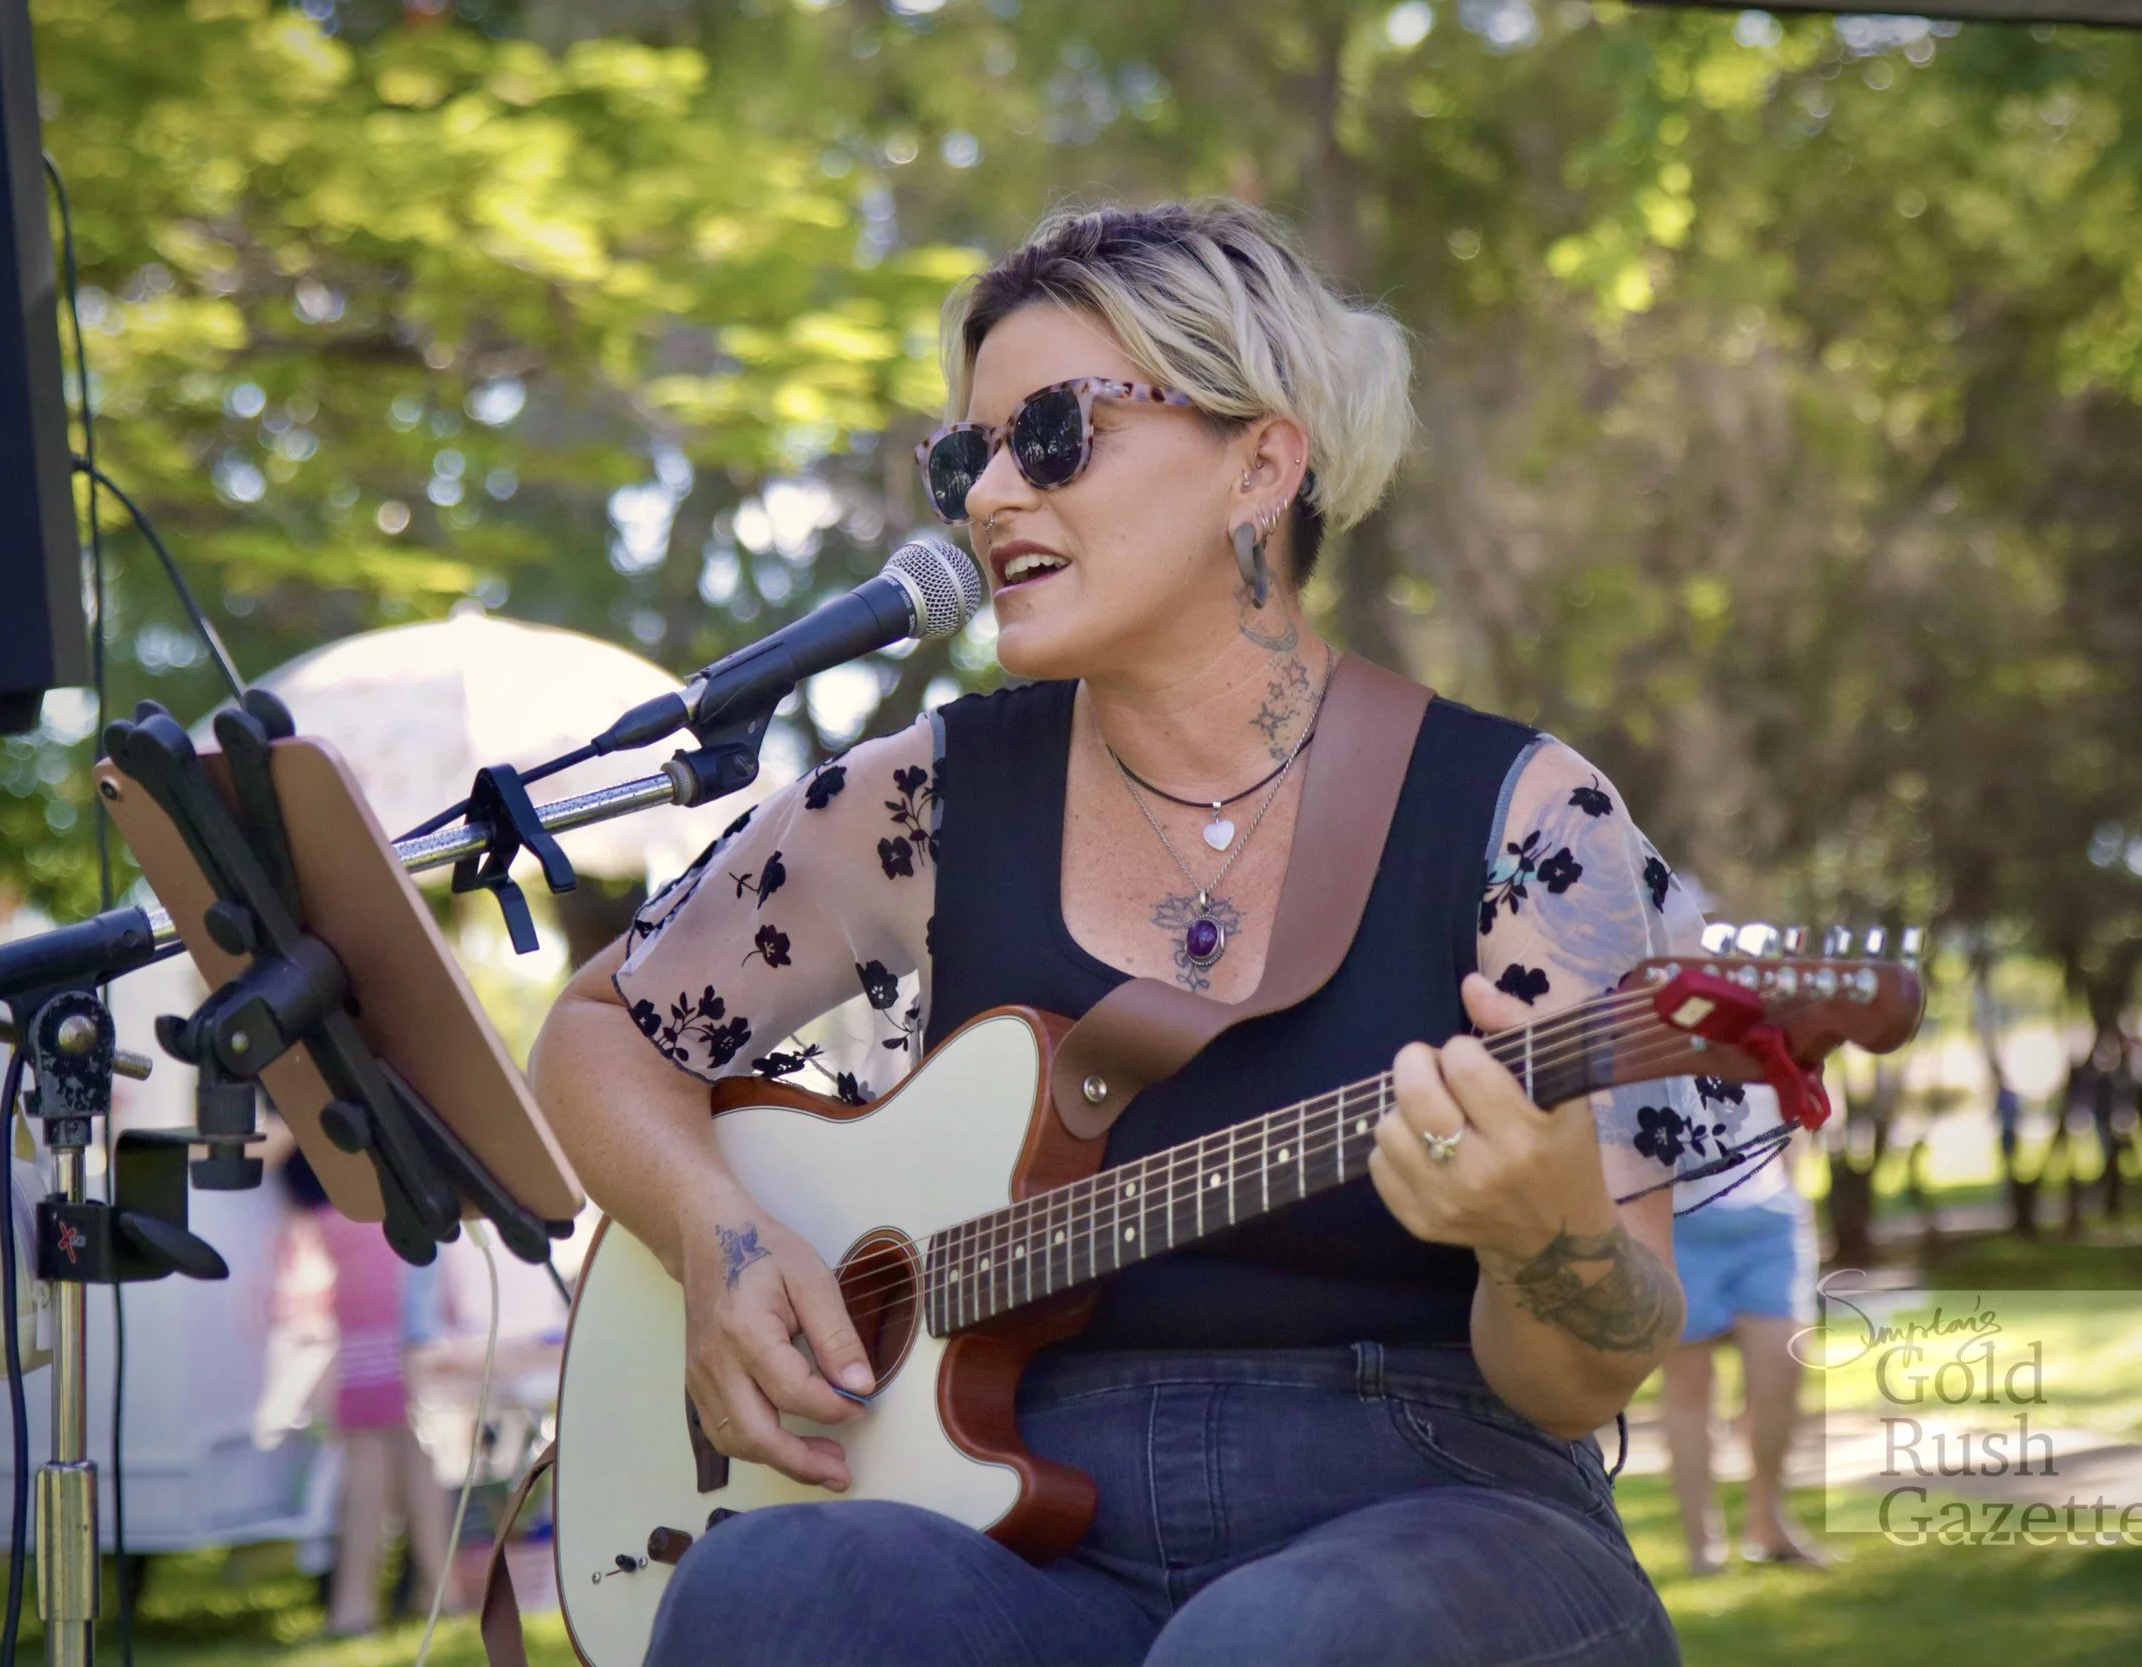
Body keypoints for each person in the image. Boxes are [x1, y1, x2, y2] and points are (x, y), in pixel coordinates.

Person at [534, 201, 1773, 1667]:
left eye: (1054, 434)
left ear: (1262, 464)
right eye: (965, 457)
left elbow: (1583, 1377)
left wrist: (1540, 1230)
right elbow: (605, 1026)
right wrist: (718, 1233)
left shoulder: (1521, 812)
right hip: (1014, 1524)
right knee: (769, 1590)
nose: (993, 496)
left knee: (1272, 1640)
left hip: (1438, 1506)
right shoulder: (922, 799)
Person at [277, 1150, 453, 1638]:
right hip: (383, 1236)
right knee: (399, 1435)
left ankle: (355, 1609)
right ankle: (440, 1594)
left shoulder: (287, 1105)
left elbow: (267, 1146)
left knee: (366, 1439)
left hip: (364, 1246)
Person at [1656, 1118, 1827, 1575]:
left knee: (1782, 1368)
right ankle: (1702, 1544)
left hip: (1770, 1215)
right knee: (1689, 1387)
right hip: (1678, 1218)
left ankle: (1769, 1523)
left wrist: (1793, 1187)